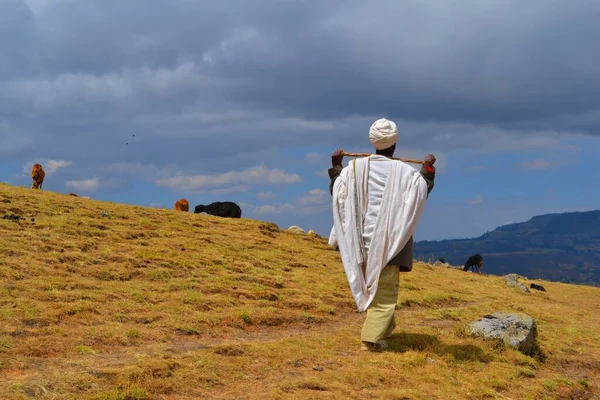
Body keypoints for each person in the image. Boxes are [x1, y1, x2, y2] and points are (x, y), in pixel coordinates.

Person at [328, 118, 436, 352]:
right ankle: (371, 339)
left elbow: (337, 190)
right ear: (394, 143)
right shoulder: (405, 172)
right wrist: (427, 171)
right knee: (386, 291)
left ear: (372, 141)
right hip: (387, 242)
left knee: (375, 286)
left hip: (358, 241)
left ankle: (384, 326)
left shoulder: (354, 169)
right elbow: (421, 191)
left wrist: (337, 166)